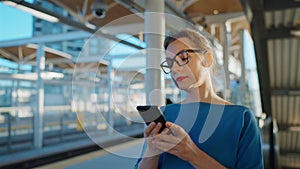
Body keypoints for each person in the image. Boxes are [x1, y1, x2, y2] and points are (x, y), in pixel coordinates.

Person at [134, 29, 263, 169]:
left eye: (183, 58)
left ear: (207, 59)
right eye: (170, 64)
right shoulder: (165, 114)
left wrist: (192, 154)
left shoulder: (241, 118)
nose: (174, 69)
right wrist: (152, 152)